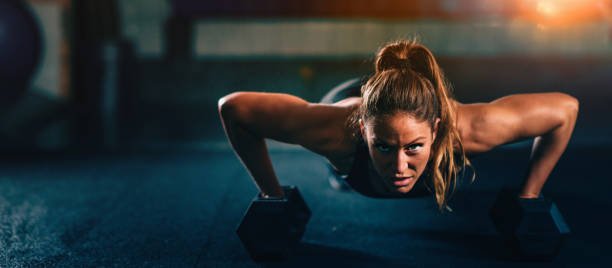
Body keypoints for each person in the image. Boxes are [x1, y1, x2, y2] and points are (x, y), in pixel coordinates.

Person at [218, 39, 579, 211]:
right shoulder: (336, 131)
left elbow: (565, 109)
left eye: (414, 148)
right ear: (364, 133)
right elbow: (233, 108)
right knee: (340, 166)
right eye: (385, 148)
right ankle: (349, 165)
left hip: (408, 106)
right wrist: (271, 194)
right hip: (350, 99)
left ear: (436, 131)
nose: (400, 168)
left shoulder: (466, 130)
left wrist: (529, 195)